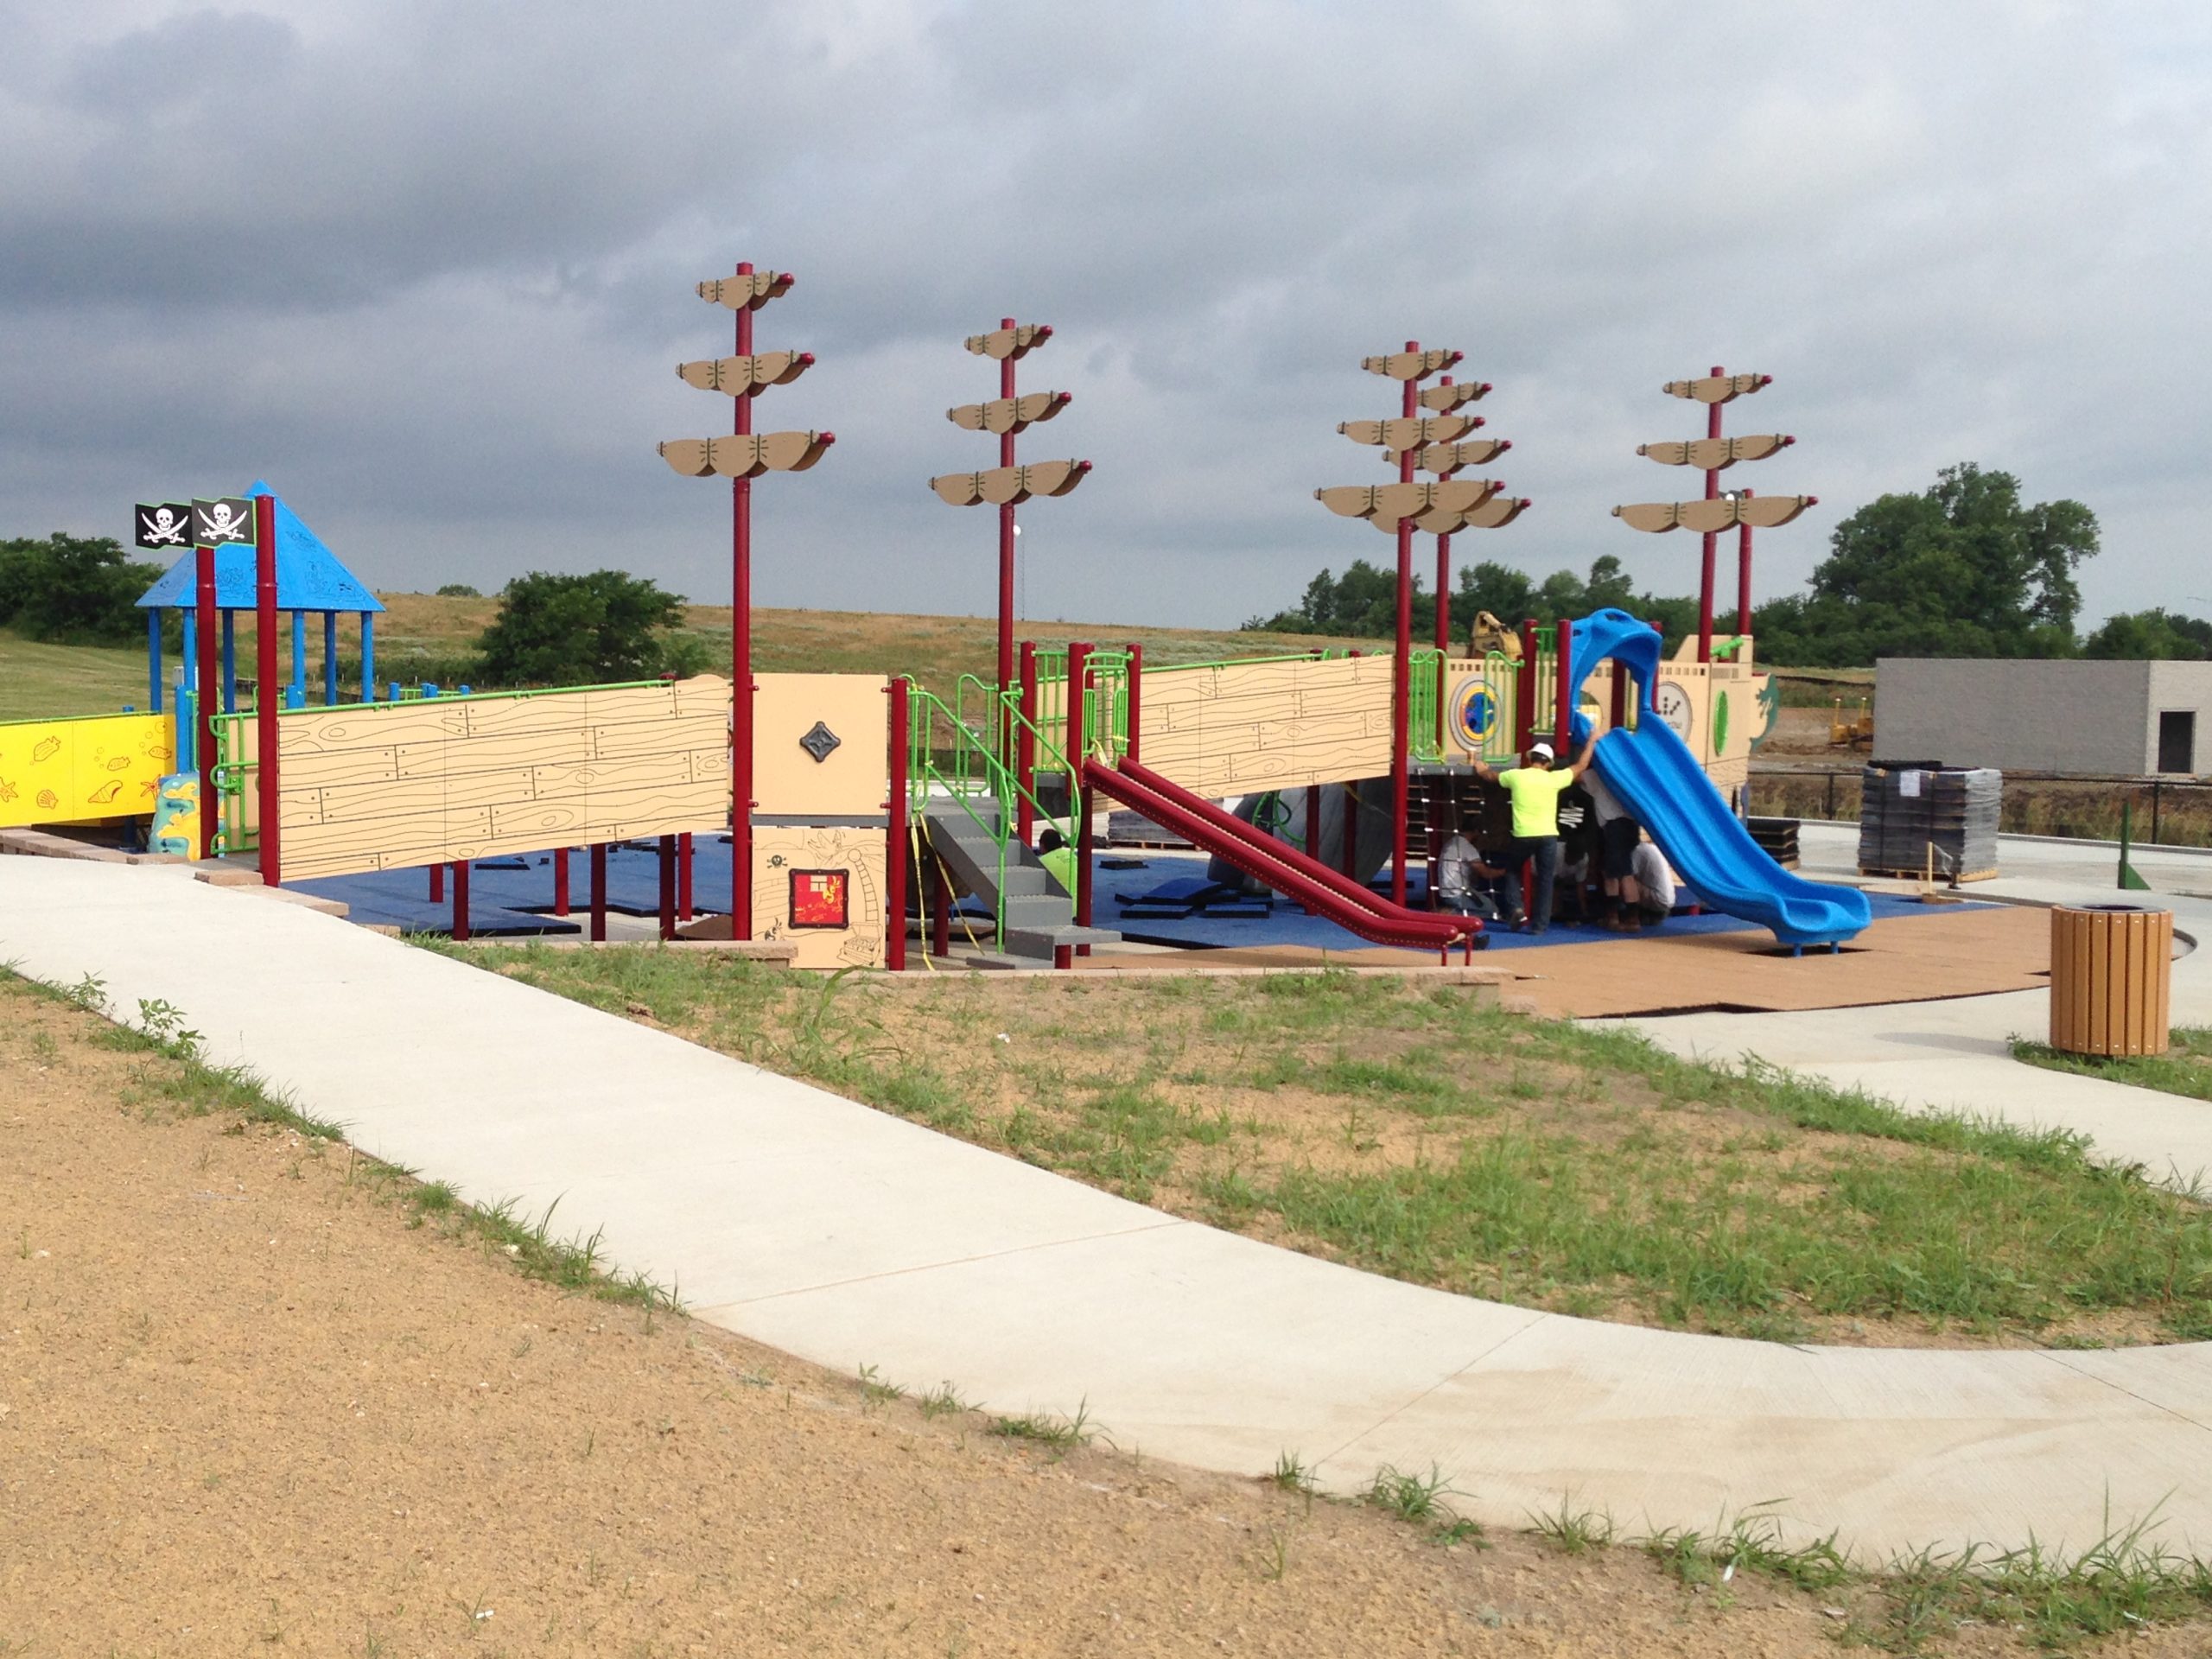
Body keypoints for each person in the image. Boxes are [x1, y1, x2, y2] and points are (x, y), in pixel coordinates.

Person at [1471, 735, 1592, 936]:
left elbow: (1491, 777)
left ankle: (1516, 908)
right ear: (1548, 763)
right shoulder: (1554, 779)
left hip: (1523, 834)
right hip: (1548, 836)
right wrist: (1591, 742)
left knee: (1512, 870)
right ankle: (1540, 926)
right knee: (1546, 879)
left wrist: (1482, 768)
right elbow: (1581, 766)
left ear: (1530, 759)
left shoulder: (1516, 775)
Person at [1581, 763, 1643, 931]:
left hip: (1614, 825)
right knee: (1626, 869)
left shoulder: (1596, 775)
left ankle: (1614, 917)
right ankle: (1632, 916)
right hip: (1631, 825)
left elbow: (1574, 775)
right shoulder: (1628, 773)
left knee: (1613, 873)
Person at [1432, 812, 1522, 925]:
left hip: (1446, 891)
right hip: (1458, 894)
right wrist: (1505, 871)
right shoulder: (1467, 848)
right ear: (1476, 831)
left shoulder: (1451, 842)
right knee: (1492, 910)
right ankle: (1452, 913)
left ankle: (1454, 910)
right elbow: (1485, 873)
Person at [1629, 832, 1678, 928]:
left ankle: (1629, 916)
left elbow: (1627, 876)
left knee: (1624, 879)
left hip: (1657, 904)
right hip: (1667, 902)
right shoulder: (1652, 848)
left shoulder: (1638, 850)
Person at [1036, 826, 1077, 895]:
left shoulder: (1043, 861)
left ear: (1042, 845)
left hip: (1063, 899)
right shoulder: (1072, 854)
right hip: (1082, 899)